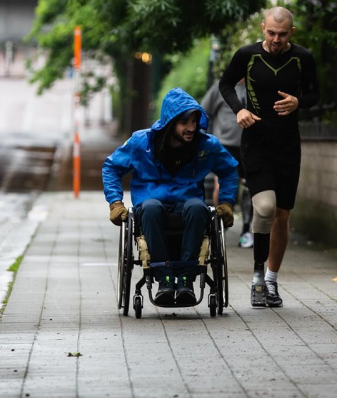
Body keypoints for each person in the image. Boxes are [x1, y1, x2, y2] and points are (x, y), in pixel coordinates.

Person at [219, 6, 319, 308]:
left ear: (292, 32)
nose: (276, 39)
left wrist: (299, 101)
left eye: (282, 34)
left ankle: (271, 281)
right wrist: (241, 110)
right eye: (271, 33)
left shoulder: (303, 58)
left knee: (282, 215)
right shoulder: (247, 55)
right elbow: (226, 84)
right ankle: (257, 276)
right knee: (264, 207)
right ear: (263, 28)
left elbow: (316, 94)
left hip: (288, 144)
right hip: (256, 142)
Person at [102, 87, 238, 307]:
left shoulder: (206, 145)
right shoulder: (141, 143)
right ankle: (164, 278)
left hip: (188, 203)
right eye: (185, 123)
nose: (191, 128)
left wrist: (226, 202)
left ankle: (186, 279)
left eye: (194, 122)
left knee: (197, 207)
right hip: (151, 204)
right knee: (151, 207)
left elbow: (229, 170)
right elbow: (111, 167)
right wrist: (115, 202)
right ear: (170, 122)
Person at [200, 78, 254, 248]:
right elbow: (204, 110)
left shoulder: (256, 86)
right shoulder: (221, 86)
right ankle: (220, 224)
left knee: (249, 187)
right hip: (225, 143)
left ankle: (246, 229)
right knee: (221, 185)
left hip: (249, 144)